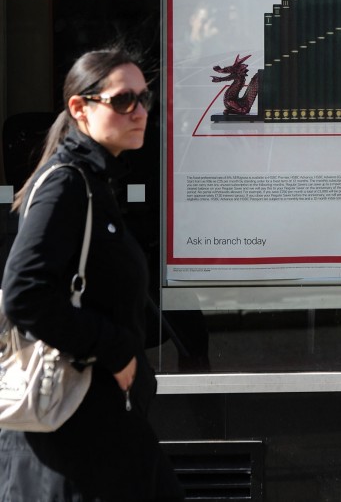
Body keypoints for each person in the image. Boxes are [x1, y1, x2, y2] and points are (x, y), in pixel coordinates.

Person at [0, 47, 185, 502]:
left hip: (97, 424)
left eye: (145, 99)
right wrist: (118, 351)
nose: (140, 111)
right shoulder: (67, 184)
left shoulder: (92, 182)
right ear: (80, 108)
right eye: (123, 100)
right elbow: (23, 293)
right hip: (72, 424)